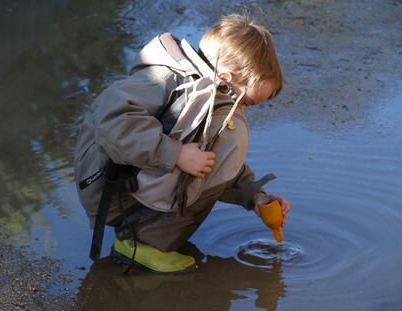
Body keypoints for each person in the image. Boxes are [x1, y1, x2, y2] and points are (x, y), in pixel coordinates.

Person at [74, 13, 290, 273]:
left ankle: (145, 233)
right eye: (246, 103)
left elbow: (217, 159)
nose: (243, 111)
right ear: (226, 77)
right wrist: (174, 154)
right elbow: (112, 122)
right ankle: (141, 244)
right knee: (194, 159)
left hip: (137, 181)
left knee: (205, 155)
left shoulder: (212, 94)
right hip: (108, 187)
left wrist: (253, 193)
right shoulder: (164, 81)